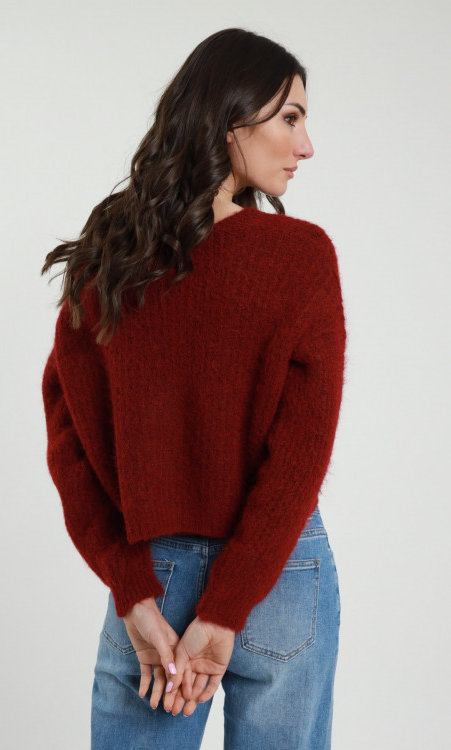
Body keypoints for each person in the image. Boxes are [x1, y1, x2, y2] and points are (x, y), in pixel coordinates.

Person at [41, 27, 347, 750]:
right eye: (291, 118)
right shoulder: (301, 258)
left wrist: (132, 588)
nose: (306, 146)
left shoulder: (110, 254)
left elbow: (68, 439)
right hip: (281, 569)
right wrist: (232, 600)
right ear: (232, 118)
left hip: (156, 573)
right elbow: (301, 455)